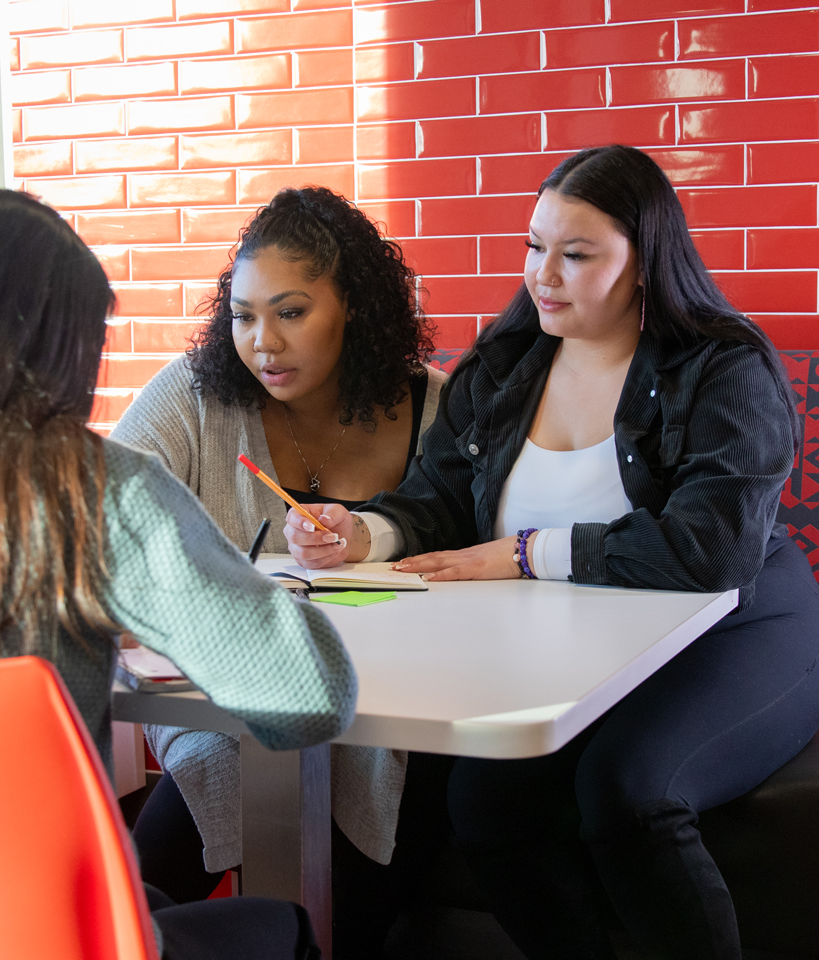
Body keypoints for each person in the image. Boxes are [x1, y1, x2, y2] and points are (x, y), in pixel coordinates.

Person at [284, 145, 819, 960]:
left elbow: (709, 551)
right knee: (487, 805)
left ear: (645, 263)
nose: (544, 275)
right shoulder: (504, 364)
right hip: (572, 651)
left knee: (628, 794)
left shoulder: (724, 368)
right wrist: (363, 532)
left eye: (576, 255)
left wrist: (527, 554)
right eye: (535, 248)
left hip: (735, 625)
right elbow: (437, 501)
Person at [0, 189, 358, 960]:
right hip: (37, 930)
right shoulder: (92, 488)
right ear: (61, 349)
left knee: (153, 892)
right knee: (278, 929)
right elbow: (307, 698)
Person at [111, 185, 449, 958]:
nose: (262, 342)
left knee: (380, 778)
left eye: (291, 312)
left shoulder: (435, 408)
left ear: (355, 307)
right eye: (243, 315)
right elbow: (107, 509)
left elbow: (477, 542)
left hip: (405, 690)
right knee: (215, 769)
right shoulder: (195, 396)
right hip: (228, 688)